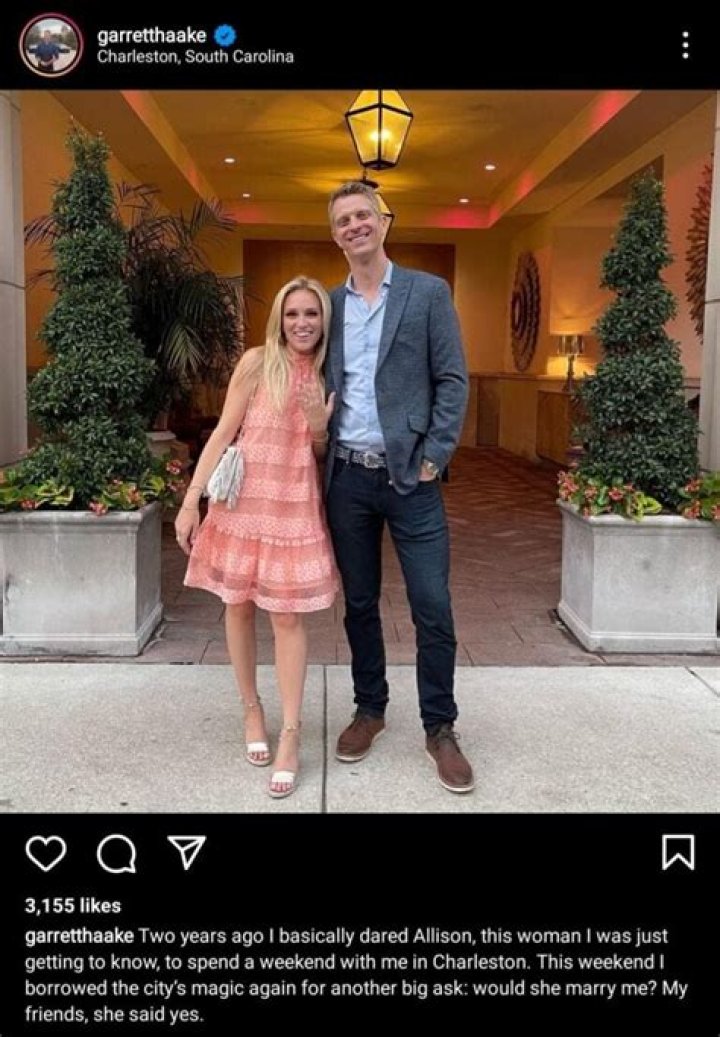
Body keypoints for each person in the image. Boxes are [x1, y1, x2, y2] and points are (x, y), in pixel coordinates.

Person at [324, 180, 474, 794]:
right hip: (347, 477)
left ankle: (440, 726)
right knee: (359, 603)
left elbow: (453, 379)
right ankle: (370, 708)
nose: (354, 226)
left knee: (432, 604)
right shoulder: (328, 304)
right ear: (335, 235)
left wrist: (435, 455)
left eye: (363, 215)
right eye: (343, 220)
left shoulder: (427, 292)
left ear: (383, 222)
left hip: (412, 478)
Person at [176, 276, 338, 799]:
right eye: (292, 313)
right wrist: (191, 501)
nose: (301, 323)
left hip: (293, 507)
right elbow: (224, 432)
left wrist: (317, 426)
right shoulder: (255, 362)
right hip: (242, 504)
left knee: (287, 617)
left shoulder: (329, 371)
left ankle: (291, 732)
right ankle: (251, 709)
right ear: (279, 319)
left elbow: (320, 454)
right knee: (238, 605)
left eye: (311, 313)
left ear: (324, 320)